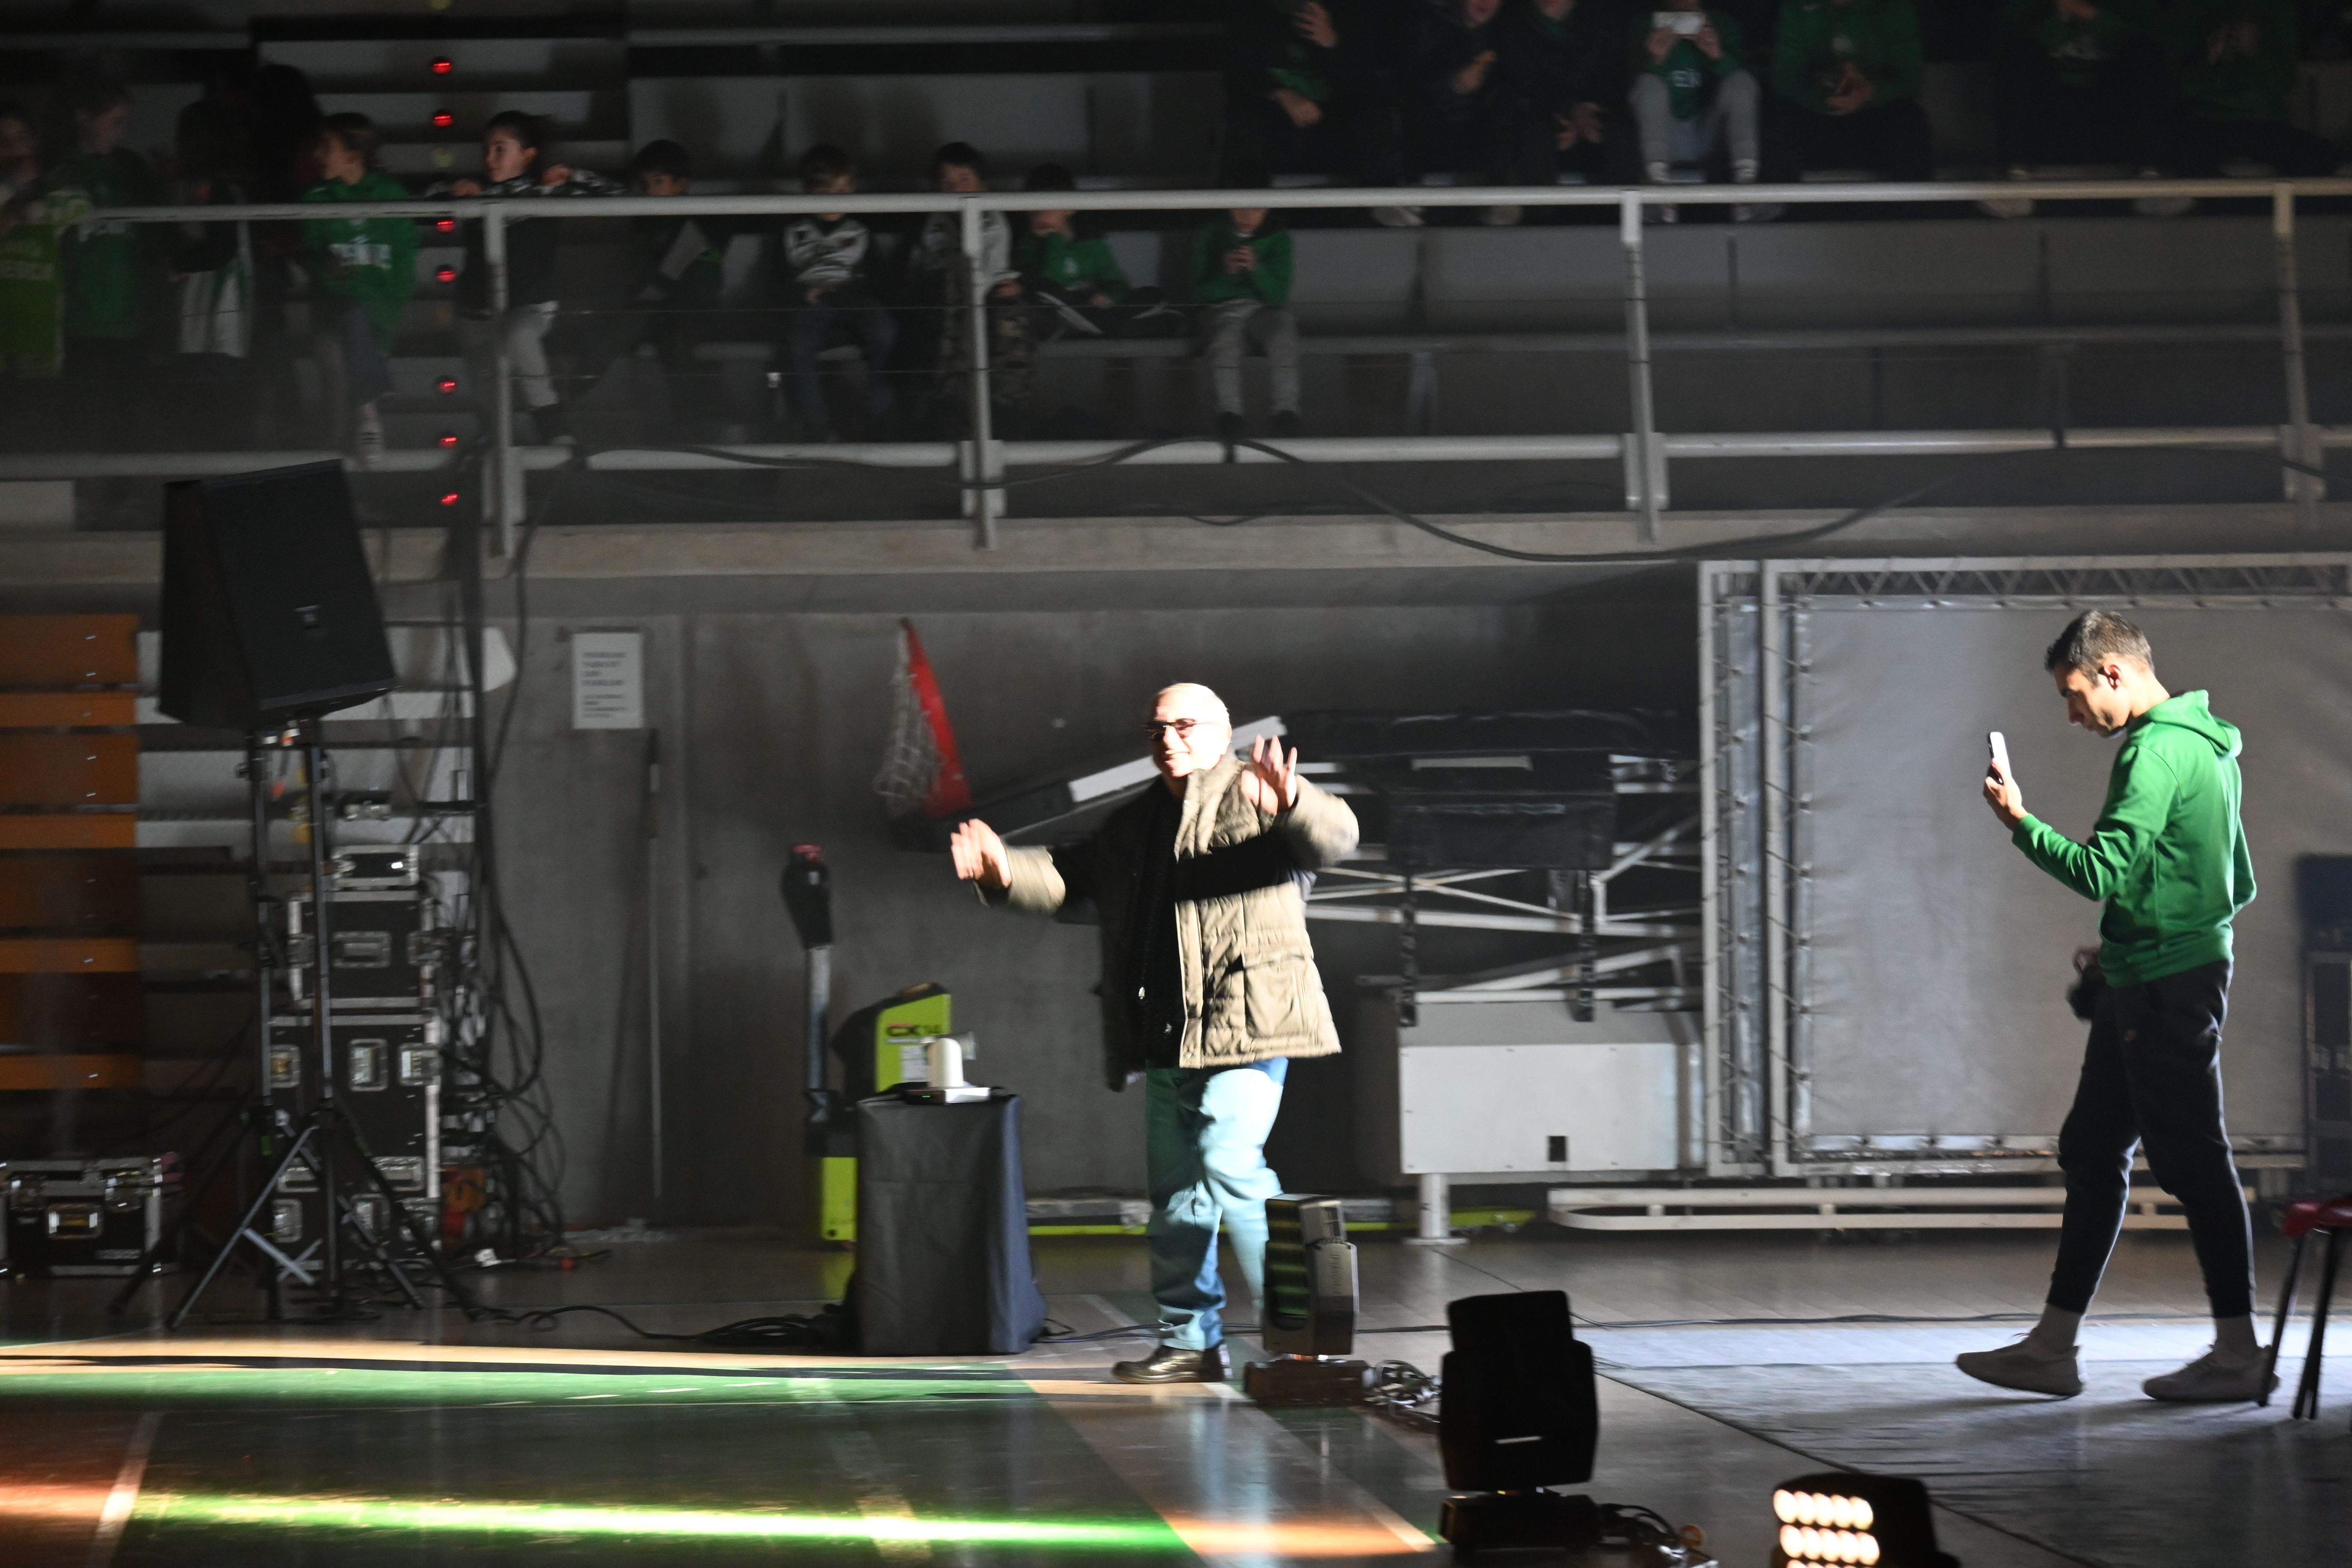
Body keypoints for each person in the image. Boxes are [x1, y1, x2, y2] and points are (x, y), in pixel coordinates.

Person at [948, 684, 1358, 1383]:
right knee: (1175, 1199)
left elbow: (1334, 836)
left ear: (1222, 731)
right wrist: (1001, 868)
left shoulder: (1255, 795)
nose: (1167, 737)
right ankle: (1189, 1342)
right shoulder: (1135, 824)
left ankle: (1299, 1338)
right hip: (1168, 1034)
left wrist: (1292, 802)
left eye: (1184, 724)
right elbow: (1067, 878)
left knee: (1230, 1164)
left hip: (1249, 1027)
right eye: (1155, 728)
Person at [1967, 610, 2270, 1404]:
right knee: (2092, 1148)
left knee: (2192, 1162)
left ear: (2110, 672)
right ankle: (2052, 1346)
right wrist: (2126, 943)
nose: (2071, 716)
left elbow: (2101, 871)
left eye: (2072, 695)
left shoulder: (2152, 751)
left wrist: (2019, 825)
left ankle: (2238, 1354)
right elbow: (2222, 879)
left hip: (2164, 989)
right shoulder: (2206, 744)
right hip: (2150, 975)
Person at [432, 109, 622, 446]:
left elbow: (618, 196)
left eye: (500, 149)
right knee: (486, 389)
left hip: (531, 304)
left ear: (528, 154)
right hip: (475, 309)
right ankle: (496, 441)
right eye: (487, 150)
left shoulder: (545, 192)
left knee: (519, 334)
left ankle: (551, 424)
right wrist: (453, 190)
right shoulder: (476, 190)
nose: (490, 159)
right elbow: (419, 204)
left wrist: (572, 175)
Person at [1221, 0, 1414, 225]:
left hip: (1336, 125)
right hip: (1276, 122)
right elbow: (1238, 74)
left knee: (1378, 114)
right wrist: (1282, 94)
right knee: (1244, 123)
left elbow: (1366, 82)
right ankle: (1245, 214)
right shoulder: (1252, 14)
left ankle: (1386, 202)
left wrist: (1331, 42)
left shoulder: (1354, 13)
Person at [51, 78, 164, 450]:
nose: (122, 131)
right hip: (77, 316)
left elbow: (160, 229)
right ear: (84, 118)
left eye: (124, 121)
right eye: (114, 121)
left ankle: (122, 497)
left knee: (126, 411)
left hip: (128, 316)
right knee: (77, 410)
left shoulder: (131, 167)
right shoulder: (62, 169)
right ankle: (79, 494)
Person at [1982, 0, 2172, 218]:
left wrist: (2089, 15)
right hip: (2049, 125)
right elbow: (2006, 50)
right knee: (2021, 55)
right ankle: (2016, 181)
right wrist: (2060, 16)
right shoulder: (2025, 8)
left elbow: (2153, 47)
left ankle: (2152, 182)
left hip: (2115, 123)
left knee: (2145, 55)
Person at [299, 114, 415, 465]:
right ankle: (369, 413)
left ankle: (354, 493)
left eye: (327, 148)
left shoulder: (391, 197)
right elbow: (312, 262)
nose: (318, 155)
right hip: (331, 319)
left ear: (353, 156)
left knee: (346, 391)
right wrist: (332, 273)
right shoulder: (315, 199)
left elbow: (404, 268)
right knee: (338, 393)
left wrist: (385, 317)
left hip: (380, 319)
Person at [596, 139, 730, 441]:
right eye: (644, 184)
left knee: (679, 353)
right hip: (658, 314)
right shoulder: (645, 225)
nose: (648, 191)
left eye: (658, 182)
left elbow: (682, 282)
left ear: (681, 185)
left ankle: (691, 429)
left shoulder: (699, 225)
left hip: (693, 315)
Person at [900, 142, 1027, 435]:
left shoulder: (992, 219)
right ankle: (946, 404)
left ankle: (1005, 408)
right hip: (941, 297)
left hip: (988, 293)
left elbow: (991, 270)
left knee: (1010, 315)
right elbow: (922, 263)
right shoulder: (933, 220)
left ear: (983, 185)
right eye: (947, 183)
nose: (956, 189)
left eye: (964, 181)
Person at [778, 143, 896, 441]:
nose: (835, 200)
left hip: (854, 298)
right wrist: (802, 295)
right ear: (807, 192)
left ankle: (876, 417)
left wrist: (848, 293)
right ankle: (817, 425)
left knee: (885, 333)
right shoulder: (794, 231)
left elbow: (879, 279)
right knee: (800, 345)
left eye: (843, 190)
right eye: (825, 192)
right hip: (813, 302)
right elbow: (778, 280)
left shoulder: (860, 229)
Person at [2158, 0, 2339, 182]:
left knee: (2322, 157)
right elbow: (2177, 82)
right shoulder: (2191, 10)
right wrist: (2209, 60)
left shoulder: (2274, 10)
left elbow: (2285, 81)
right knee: (2178, 154)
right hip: (2203, 120)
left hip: (2263, 122)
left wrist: (2253, 53)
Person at [1405, 0, 1550, 225]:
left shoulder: (1511, 29)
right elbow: (1412, 82)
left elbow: (1526, 84)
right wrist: (1454, 86)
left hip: (1487, 139)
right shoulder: (1427, 23)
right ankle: (1399, 196)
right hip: (1433, 134)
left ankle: (1502, 198)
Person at [164, 99, 258, 447]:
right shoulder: (214, 188)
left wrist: (177, 264)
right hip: (210, 324)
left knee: (209, 418)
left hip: (216, 321)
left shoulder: (219, 191)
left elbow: (221, 248)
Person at [0, 101, 90, 450]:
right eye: (3, 140)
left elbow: (81, 205)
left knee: (36, 438)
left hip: (39, 342)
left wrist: (31, 199)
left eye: (21, 139)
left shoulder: (51, 194)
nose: (13, 149)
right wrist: (12, 199)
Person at [1631, 0, 1773, 218]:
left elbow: (1746, 85)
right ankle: (1658, 188)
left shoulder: (1721, 24)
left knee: (1741, 81)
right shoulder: (1647, 24)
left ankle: (1746, 185)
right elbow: (1627, 88)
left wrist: (1718, 55)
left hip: (1711, 134)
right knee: (1649, 83)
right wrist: (1655, 60)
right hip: (1662, 137)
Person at [1767, 0, 1935, 183]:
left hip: (1875, 127)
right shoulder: (1797, 8)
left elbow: (1910, 80)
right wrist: (1830, 98)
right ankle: (1778, 209)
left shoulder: (1894, 8)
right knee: (1778, 122)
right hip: (1816, 124)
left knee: (1909, 121)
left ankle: (1914, 209)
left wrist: (1869, 92)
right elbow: (1785, 80)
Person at [1015, 164, 1174, 341]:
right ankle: (1113, 328)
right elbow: (1050, 281)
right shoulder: (1028, 244)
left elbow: (1117, 282)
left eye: (1046, 208)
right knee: (1047, 296)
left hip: (1092, 309)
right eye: (1032, 209)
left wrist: (1108, 297)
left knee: (1152, 295)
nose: (1039, 215)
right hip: (1057, 314)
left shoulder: (1091, 242)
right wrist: (1054, 240)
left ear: (1069, 208)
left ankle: (1104, 326)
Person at [1503, 0, 1643, 191]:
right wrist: (1568, 110)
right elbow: (1519, 83)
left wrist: (1586, 110)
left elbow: (1614, 77)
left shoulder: (1602, 19)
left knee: (1619, 131)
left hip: (1592, 118)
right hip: (1541, 119)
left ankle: (1621, 217)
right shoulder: (1513, 21)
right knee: (1532, 132)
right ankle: (1536, 217)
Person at [1193, 206, 1301, 443]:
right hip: (1222, 310)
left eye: (1256, 210)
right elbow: (1201, 293)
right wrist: (1226, 272)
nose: (1247, 217)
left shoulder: (1279, 237)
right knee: (1224, 342)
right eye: (1240, 209)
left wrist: (1257, 270)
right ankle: (1229, 414)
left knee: (1282, 333)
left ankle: (1286, 412)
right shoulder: (1213, 233)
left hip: (1263, 310)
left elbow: (1278, 297)